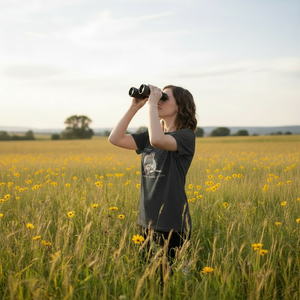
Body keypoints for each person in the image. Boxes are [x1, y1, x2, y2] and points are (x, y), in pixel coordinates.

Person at [108, 84, 197, 268]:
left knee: (172, 278)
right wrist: (135, 106)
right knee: (149, 278)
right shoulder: (149, 136)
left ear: (179, 106)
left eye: (164, 98)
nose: (158, 101)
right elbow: (115, 139)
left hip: (172, 222)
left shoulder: (185, 136)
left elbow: (157, 140)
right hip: (146, 219)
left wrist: (151, 106)